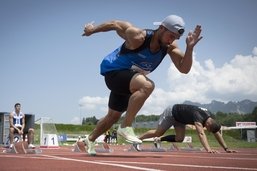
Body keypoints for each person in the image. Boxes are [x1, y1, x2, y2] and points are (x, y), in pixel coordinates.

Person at [82, 15, 203, 155]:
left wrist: (189, 48)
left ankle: (90, 139)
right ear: (162, 28)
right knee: (147, 86)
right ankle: (126, 126)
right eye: (171, 36)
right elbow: (115, 24)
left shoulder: (169, 47)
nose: (172, 40)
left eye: (176, 38)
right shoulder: (138, 36)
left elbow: (184, 69)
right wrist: (92, 30)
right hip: (113, 73)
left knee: (112, 116)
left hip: (130, 82)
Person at [134, 104, 237, 153]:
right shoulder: (199, 118)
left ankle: (159, 140)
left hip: (181, 119)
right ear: (208, 124)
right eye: (208, 129)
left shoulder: (211, 119)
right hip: (172, 113)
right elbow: (201, 134)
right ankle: (137, 139)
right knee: (158, 132)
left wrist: (226, 148)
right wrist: (208, 149)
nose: (207, 130)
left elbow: (217, 132)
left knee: (180, 139)